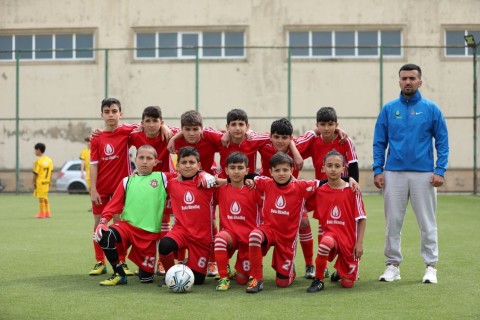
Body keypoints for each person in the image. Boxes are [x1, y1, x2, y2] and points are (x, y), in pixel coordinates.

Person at [373, 63, 449, 284]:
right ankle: (392, 266)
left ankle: (431, 267)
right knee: (393, 221)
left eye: (412, 78)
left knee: (427, 222)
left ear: (420, 82)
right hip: (393, 173)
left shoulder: (431, 109)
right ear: (399, 82)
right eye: (404, 78)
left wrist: (440, 170)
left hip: (424, 174)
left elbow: (442, 142)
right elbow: (379, 142)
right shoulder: (388, 109)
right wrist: (378, 170)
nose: (408, 82)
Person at [94, 145, 169, 286]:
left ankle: (145, 270)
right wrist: (103, 222)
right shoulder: (127, 181)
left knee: (146, 279)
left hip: (148, 234)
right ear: (135, 160)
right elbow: (113, 205)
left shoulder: (162, 178)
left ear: (156, 162)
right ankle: (119, 274)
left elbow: (184, 177)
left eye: (149, 158)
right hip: (127, 227)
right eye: (141, 157)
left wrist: (203, 175)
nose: (145, 161)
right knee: (104, 235)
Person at [246, 152, 318, 293]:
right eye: (277, 170)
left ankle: (290, 270)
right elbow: (248, 176)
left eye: (285, 170)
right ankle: (256, 278)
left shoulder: (301, 186)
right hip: (269, 230)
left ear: (292, 170)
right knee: (254, 236)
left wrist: (349, 179)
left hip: (287, 238)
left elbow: (325, 182)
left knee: (282, 283)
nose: (281, 173)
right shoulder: (265, 183)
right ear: (271, 172)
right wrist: (249, 180)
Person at [303, 106, 359, 278]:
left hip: (342, 190)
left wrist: (352, 182)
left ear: (336, 124)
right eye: (322, 124)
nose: (326, 128)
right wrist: (313, 132)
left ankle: (345, 266)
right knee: (323, 226)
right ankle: (322, 265)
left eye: (330, 124)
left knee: (344, 227)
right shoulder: (314, 141)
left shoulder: (344, 141)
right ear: (317, 125)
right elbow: (297, 148)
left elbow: (354, 164)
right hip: (322, 191)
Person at [258, 118, 316, 279]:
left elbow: (316, 131)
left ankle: (310, 264)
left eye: (285, 137)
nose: (280, 141)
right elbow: (246, 135)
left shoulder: (298, 144)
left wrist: (292, 146)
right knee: (259, 230)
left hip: (293, 194)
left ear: (291, 138)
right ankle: (257, 266)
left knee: (304, 222)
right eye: (276, 137)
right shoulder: (264, 143)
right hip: (267, 193)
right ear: (271, 136)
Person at [89, 98, 138, 276]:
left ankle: (122, 261)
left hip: (121, 189)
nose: (111, 114)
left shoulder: (127, 131)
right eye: (107, 111)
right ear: (101, 114)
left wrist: (163, 127)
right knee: (98, 224)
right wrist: (93, 189)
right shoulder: (96, 138)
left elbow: (147, 127)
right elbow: (93, 164)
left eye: (114, 111)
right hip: (101, 189)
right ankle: (99, 261)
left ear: (120, 113)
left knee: (120, 225)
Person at [307, 150, 366, 293]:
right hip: (331, 235)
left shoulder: (353, 190)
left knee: (347, 284)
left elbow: (362, 218)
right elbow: (300, 199)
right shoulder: (320, 191)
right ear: (323, 168)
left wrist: (359, 243)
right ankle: (318, 280)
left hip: (349, 240)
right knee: (325, 243)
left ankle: (341, 271)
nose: (333, 169)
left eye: (337, 166)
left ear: (343, 169)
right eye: (329, 165)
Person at [129, 106, 179, 276]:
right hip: (145, 183)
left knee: (166, 222)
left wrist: (168, 130)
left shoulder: (168, 132)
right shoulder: (135, 135)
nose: (151, 125)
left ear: (161, 122)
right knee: (145, 223)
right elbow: (120, 132)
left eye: (155, 121)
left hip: (166, 181)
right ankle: (145, 261)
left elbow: (190, 128)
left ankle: (162, 262)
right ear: (142, 123)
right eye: (148, 121)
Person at [157, 146, 217, 286]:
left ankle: (188, 264)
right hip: (181, 232)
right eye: (184, 162)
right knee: (165, 245)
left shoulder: (208, 183)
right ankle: (169, 274)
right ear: (177, 166)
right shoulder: (171, 183)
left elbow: (227, 182)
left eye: (192, 162)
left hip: (202, 238)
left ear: (199, 165)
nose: (188, 166)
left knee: (198, 281)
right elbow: (153, 178)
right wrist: (136, 173)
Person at [214, 152, 262, 291]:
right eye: (232, 168)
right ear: (226, 170)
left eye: (240, 168)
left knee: (242, 280)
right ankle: (224, 277)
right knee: (219, 239)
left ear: (247, 171)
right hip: (230, 235)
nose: (236, 171)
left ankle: (244, 270)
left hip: (248, 239)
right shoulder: (220, 188)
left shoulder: (254, 189)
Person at [33, 143, 53, 218]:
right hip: (47, 182)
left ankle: (41, 213)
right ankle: (47, 212)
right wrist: (50, 181)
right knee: (45, 197)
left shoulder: (38, 161)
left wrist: (34, 182)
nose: (34, 152)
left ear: (38, 150)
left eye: (35, 150)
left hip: (40, 182)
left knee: (41, 197)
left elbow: (36, 173)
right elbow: (51, 172)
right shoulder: (49, 160)